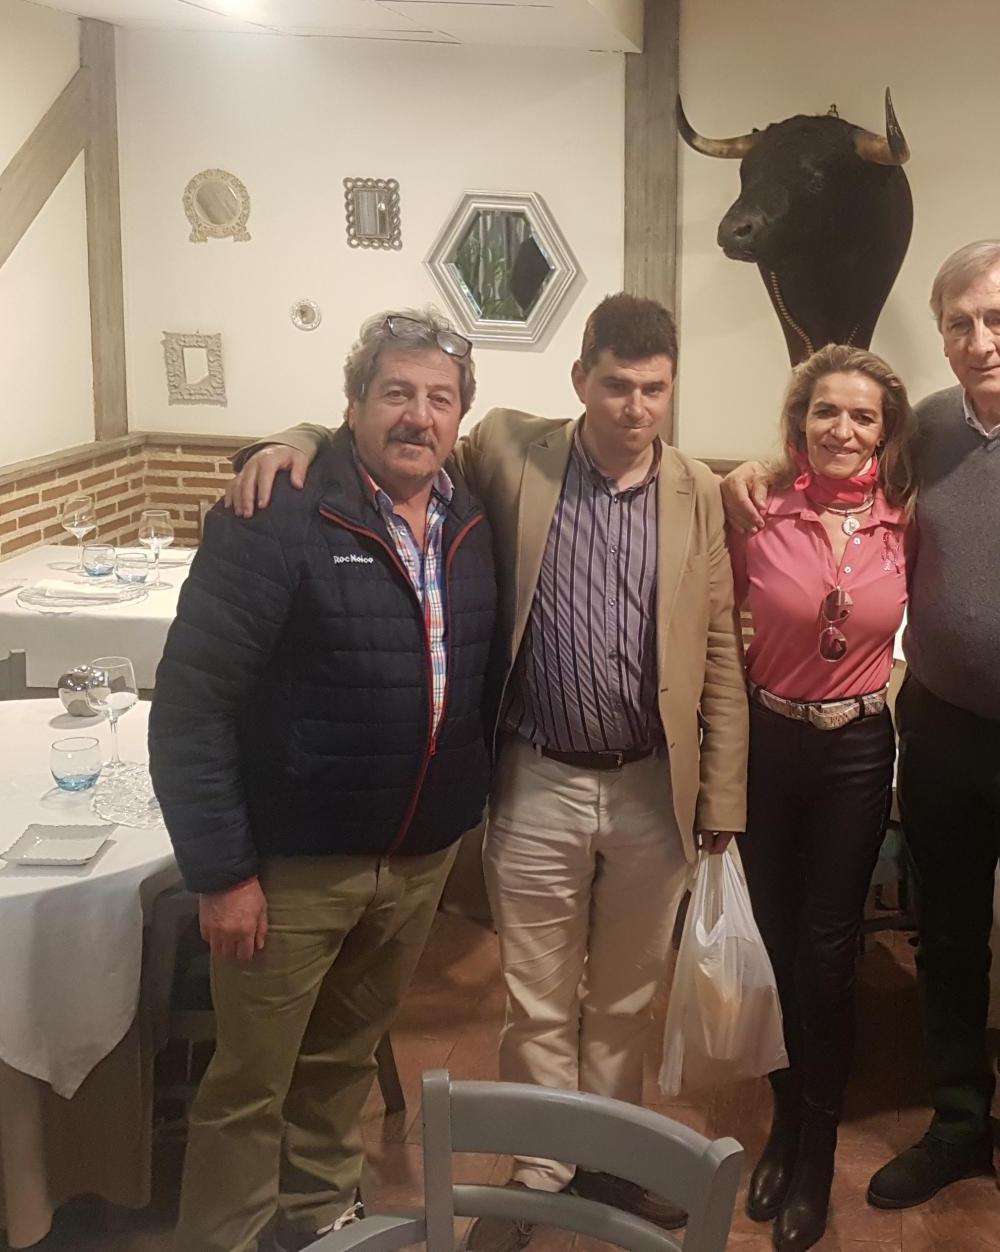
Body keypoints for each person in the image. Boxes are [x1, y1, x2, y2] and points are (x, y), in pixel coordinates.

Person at [224, 294, 748, 1252]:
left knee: (624, 999)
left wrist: (722, 796)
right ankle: (540, 1168)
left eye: (655, 389)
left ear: (673, 389)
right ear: (580, 378)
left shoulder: (698, 490)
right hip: (538, 774)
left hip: (653, 786)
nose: (635, 407)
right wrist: (288, 439)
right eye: (617, 385)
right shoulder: (511, 451)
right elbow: (391, 434)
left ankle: (611, 1159)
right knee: (537, 997)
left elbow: (719, 650)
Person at [725, 241, 1000, 1252]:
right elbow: (827, 475)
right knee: (949, 946)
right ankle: (959, 1126)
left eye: (999, 318)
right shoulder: (923, 427)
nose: (979, 340)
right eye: (959, 323)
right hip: (941, 730)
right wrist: (755, 471)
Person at [150, 309, 499, 1252]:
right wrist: (222, 873)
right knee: (248, 1085)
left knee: (341, 1062)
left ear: (461, 416)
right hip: (293, 870)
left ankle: (319, 1217)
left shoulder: (471, 518)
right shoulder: (277, 516)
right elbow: (190, 707)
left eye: (439, 398)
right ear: (352, 404)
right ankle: (225, 1239)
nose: (418, 416)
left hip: (418, 859)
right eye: (396, 393)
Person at [730, 344, 915, 1251]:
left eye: (863, 416)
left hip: (856, 748)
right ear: (800, 422)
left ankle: (817, 1148)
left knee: (828, 953)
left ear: (886, 432)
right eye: (826, 411)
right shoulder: (754, 507)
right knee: (773, 942)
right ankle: (782, 1120)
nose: (842, 429)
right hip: (767, 744)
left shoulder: (910, 522)